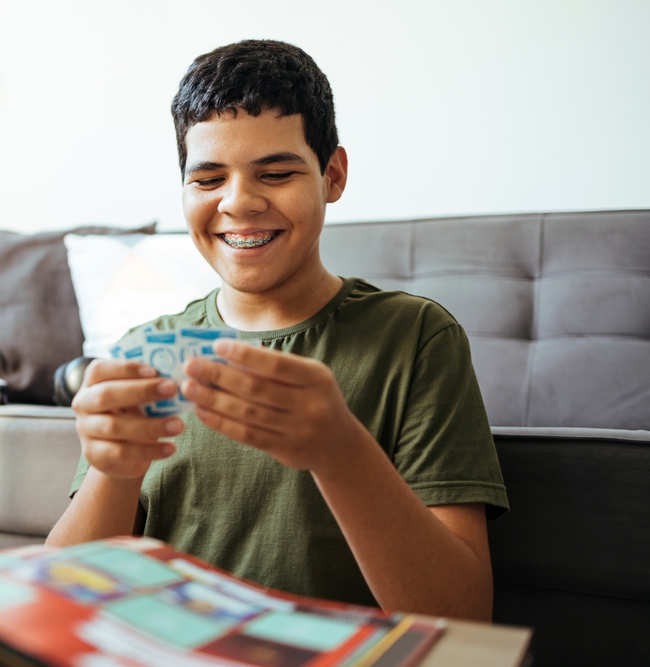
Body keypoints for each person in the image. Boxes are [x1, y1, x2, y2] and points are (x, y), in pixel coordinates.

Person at [46, 39, 508, 622]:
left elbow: (464, 620)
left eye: (276, 171)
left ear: (332, 175)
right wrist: (114, 469)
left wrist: (339, 451)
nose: (238, 202)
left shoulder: (416, 337)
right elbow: (63, 598)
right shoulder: (147, 349)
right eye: (208, 178)